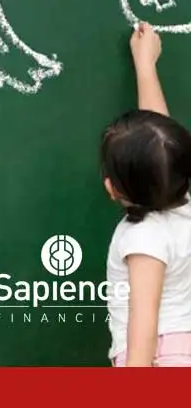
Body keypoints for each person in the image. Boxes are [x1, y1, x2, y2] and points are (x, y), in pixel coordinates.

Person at [101, 22, 191, 367]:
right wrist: (146, 65)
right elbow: (160, 145)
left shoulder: (144, 240)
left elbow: (144, 326)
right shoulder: (181, 199)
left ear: (112, 189)